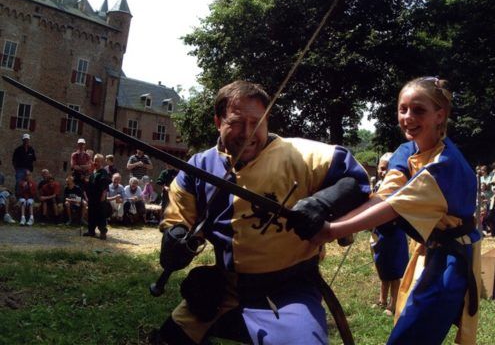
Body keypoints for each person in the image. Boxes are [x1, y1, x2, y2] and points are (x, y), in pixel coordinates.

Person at [153, 80, 370, 345]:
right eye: (236, 122)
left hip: (289, 289)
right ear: (217, 122)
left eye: (256, 122)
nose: (248, 133)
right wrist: (175, 238)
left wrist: (322, 203)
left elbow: (356, 182)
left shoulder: (300, 155)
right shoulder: (198, 168)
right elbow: (178, 218)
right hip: (224, 289)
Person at [307, 77, 481, 345]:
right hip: (431, 251)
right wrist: (336, 219)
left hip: (451, 262)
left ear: (440, 115)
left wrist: (331, 230)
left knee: (411, 336)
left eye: (419, 110)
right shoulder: (408, 149)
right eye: (403, 109)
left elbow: (392, 207)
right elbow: (385, 195)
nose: (408, 117)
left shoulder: (444, 166)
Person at [369, 153, 408, 316]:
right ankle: (382, 299)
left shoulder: (399, 188)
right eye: (382, 169)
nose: (384, 172)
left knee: (394, 270)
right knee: (382, 267)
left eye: (388, 169)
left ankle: (393, 304)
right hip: (380, 232)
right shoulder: (378, 186)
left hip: (394, 232)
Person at [83, 154, 111, 240]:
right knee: (91, 214)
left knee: (100, 215)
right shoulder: (93, 172)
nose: (95, 162)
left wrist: (103, 196)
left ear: (101, 162)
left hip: (99, 198)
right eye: (95, 160)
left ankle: (103, 232)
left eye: (97, 160)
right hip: (92, 198)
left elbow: (105, 186)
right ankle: (91, 231)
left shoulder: (103, 172)